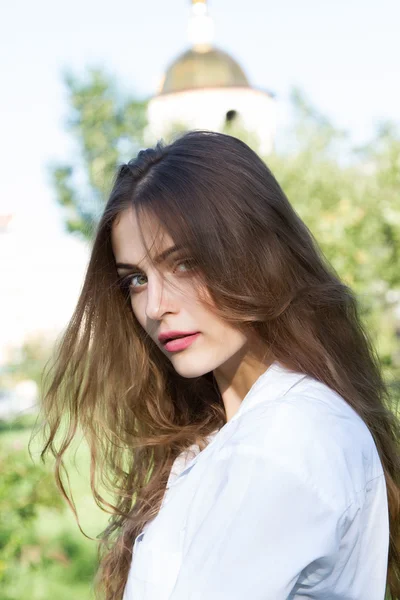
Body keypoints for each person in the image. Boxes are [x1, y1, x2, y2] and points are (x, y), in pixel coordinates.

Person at [39, 130, 400, 600]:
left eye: (185, 263)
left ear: (257, 255)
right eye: (136, 279)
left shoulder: (285, 439)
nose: (155, 306)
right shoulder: (230, 430)